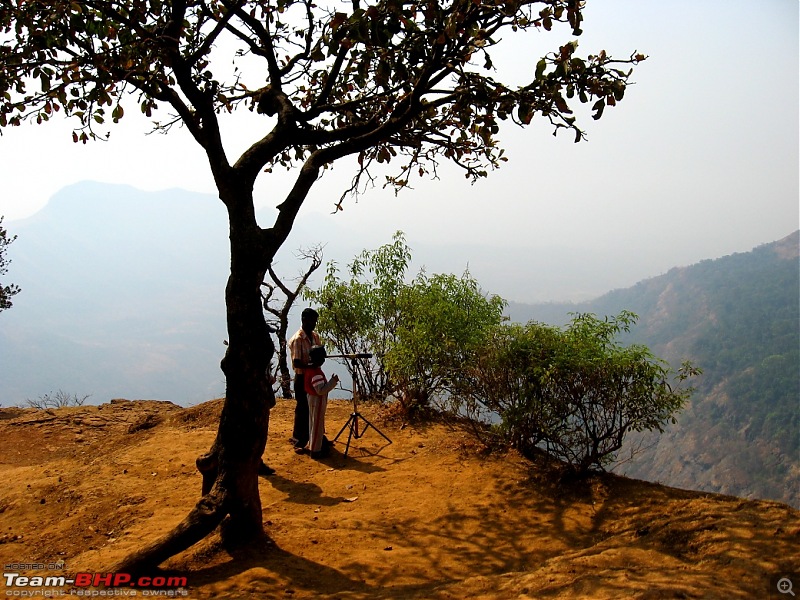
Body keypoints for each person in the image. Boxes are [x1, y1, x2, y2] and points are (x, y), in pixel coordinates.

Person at [288, 307, 321, 451]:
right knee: (302, 407)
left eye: (315, 321)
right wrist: (311, 365)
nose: (313, 324)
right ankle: (299, 439)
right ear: (304, 320)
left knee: (313, 407)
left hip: (313, 375)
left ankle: (314, 435)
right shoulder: (297, 339)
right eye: (311, 321)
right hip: (302, 377)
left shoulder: (314, 336)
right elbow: (296, 362)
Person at [305, 345, 339, 459]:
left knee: (313, 423)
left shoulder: (310, 369)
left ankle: (312, 445)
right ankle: (315, 450)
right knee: (317, 425)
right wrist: (333, 382)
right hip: (317, 399)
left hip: (311, 398)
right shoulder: (316, 372)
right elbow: (321, 390)